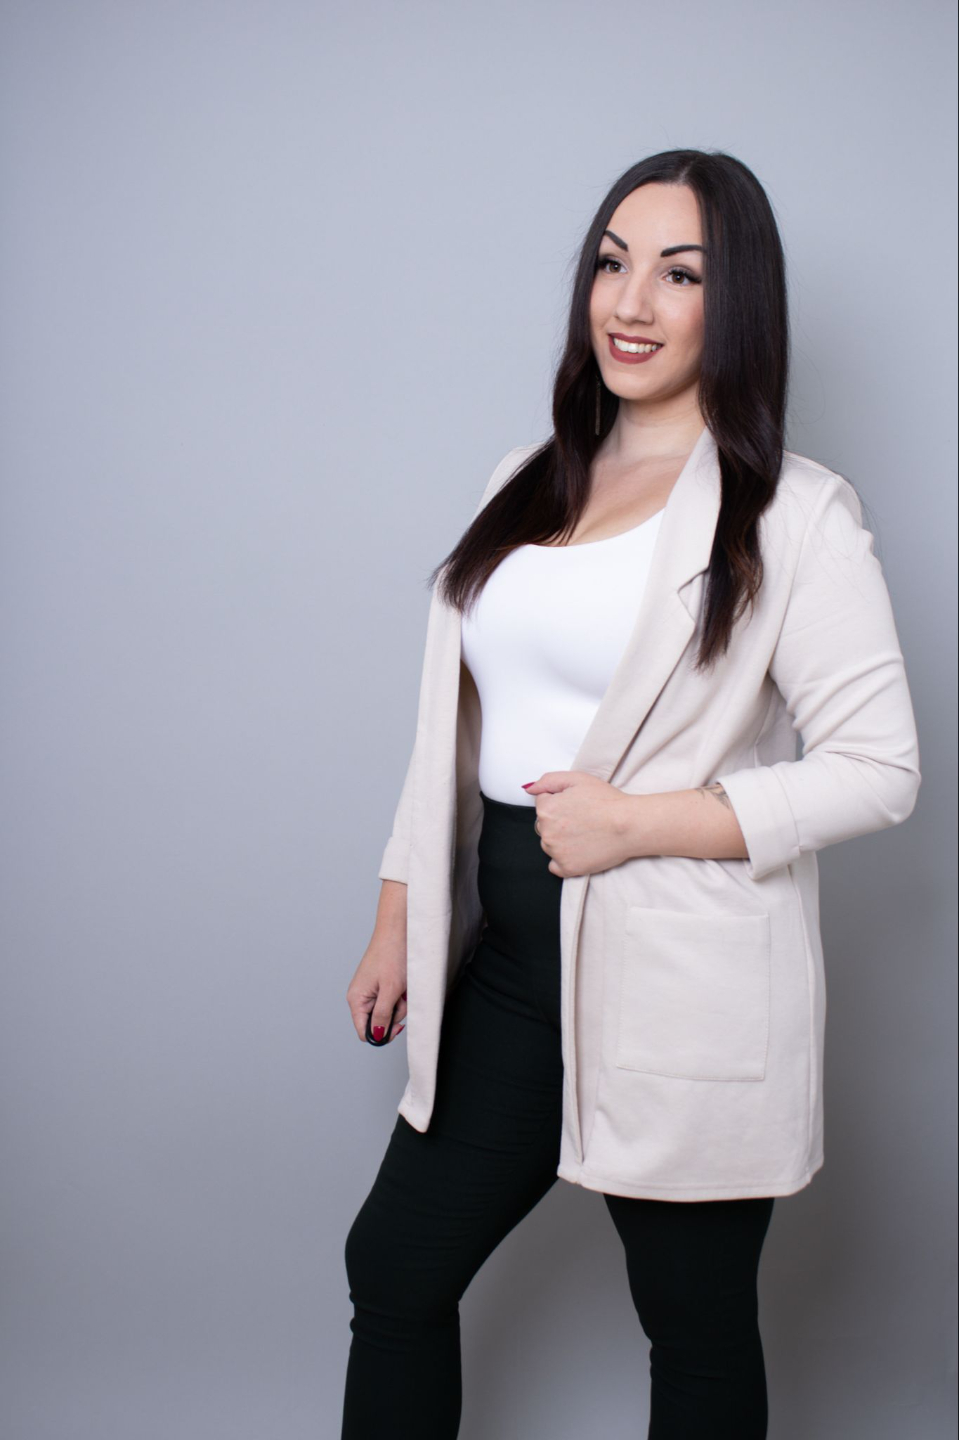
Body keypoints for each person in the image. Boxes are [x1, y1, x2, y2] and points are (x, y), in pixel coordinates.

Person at [339, 150, 921, 1439]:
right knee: (395, 1268)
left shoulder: (796, 514)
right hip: (508, 966)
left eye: (680, 274)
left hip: (679, 972)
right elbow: (453, 728)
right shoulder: (524, 477)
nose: (632, 302)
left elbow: (882, 769)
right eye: (612, 263)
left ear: (740, 302)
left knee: (694, 1328)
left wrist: (634, 822)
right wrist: (397, 910)